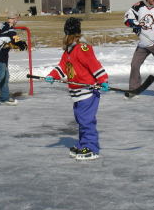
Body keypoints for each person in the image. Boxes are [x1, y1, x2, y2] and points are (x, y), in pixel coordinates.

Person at [45, 17, 109, 161]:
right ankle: (82, 145)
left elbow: (94, 65)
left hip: (87, 92)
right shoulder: (68, 51)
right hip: (77, 94)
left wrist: (102, 80)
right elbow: (62, 67)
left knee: (86, 122)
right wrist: (52, 75)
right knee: (81, 121)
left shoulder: (82, 48)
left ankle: (91, 148)